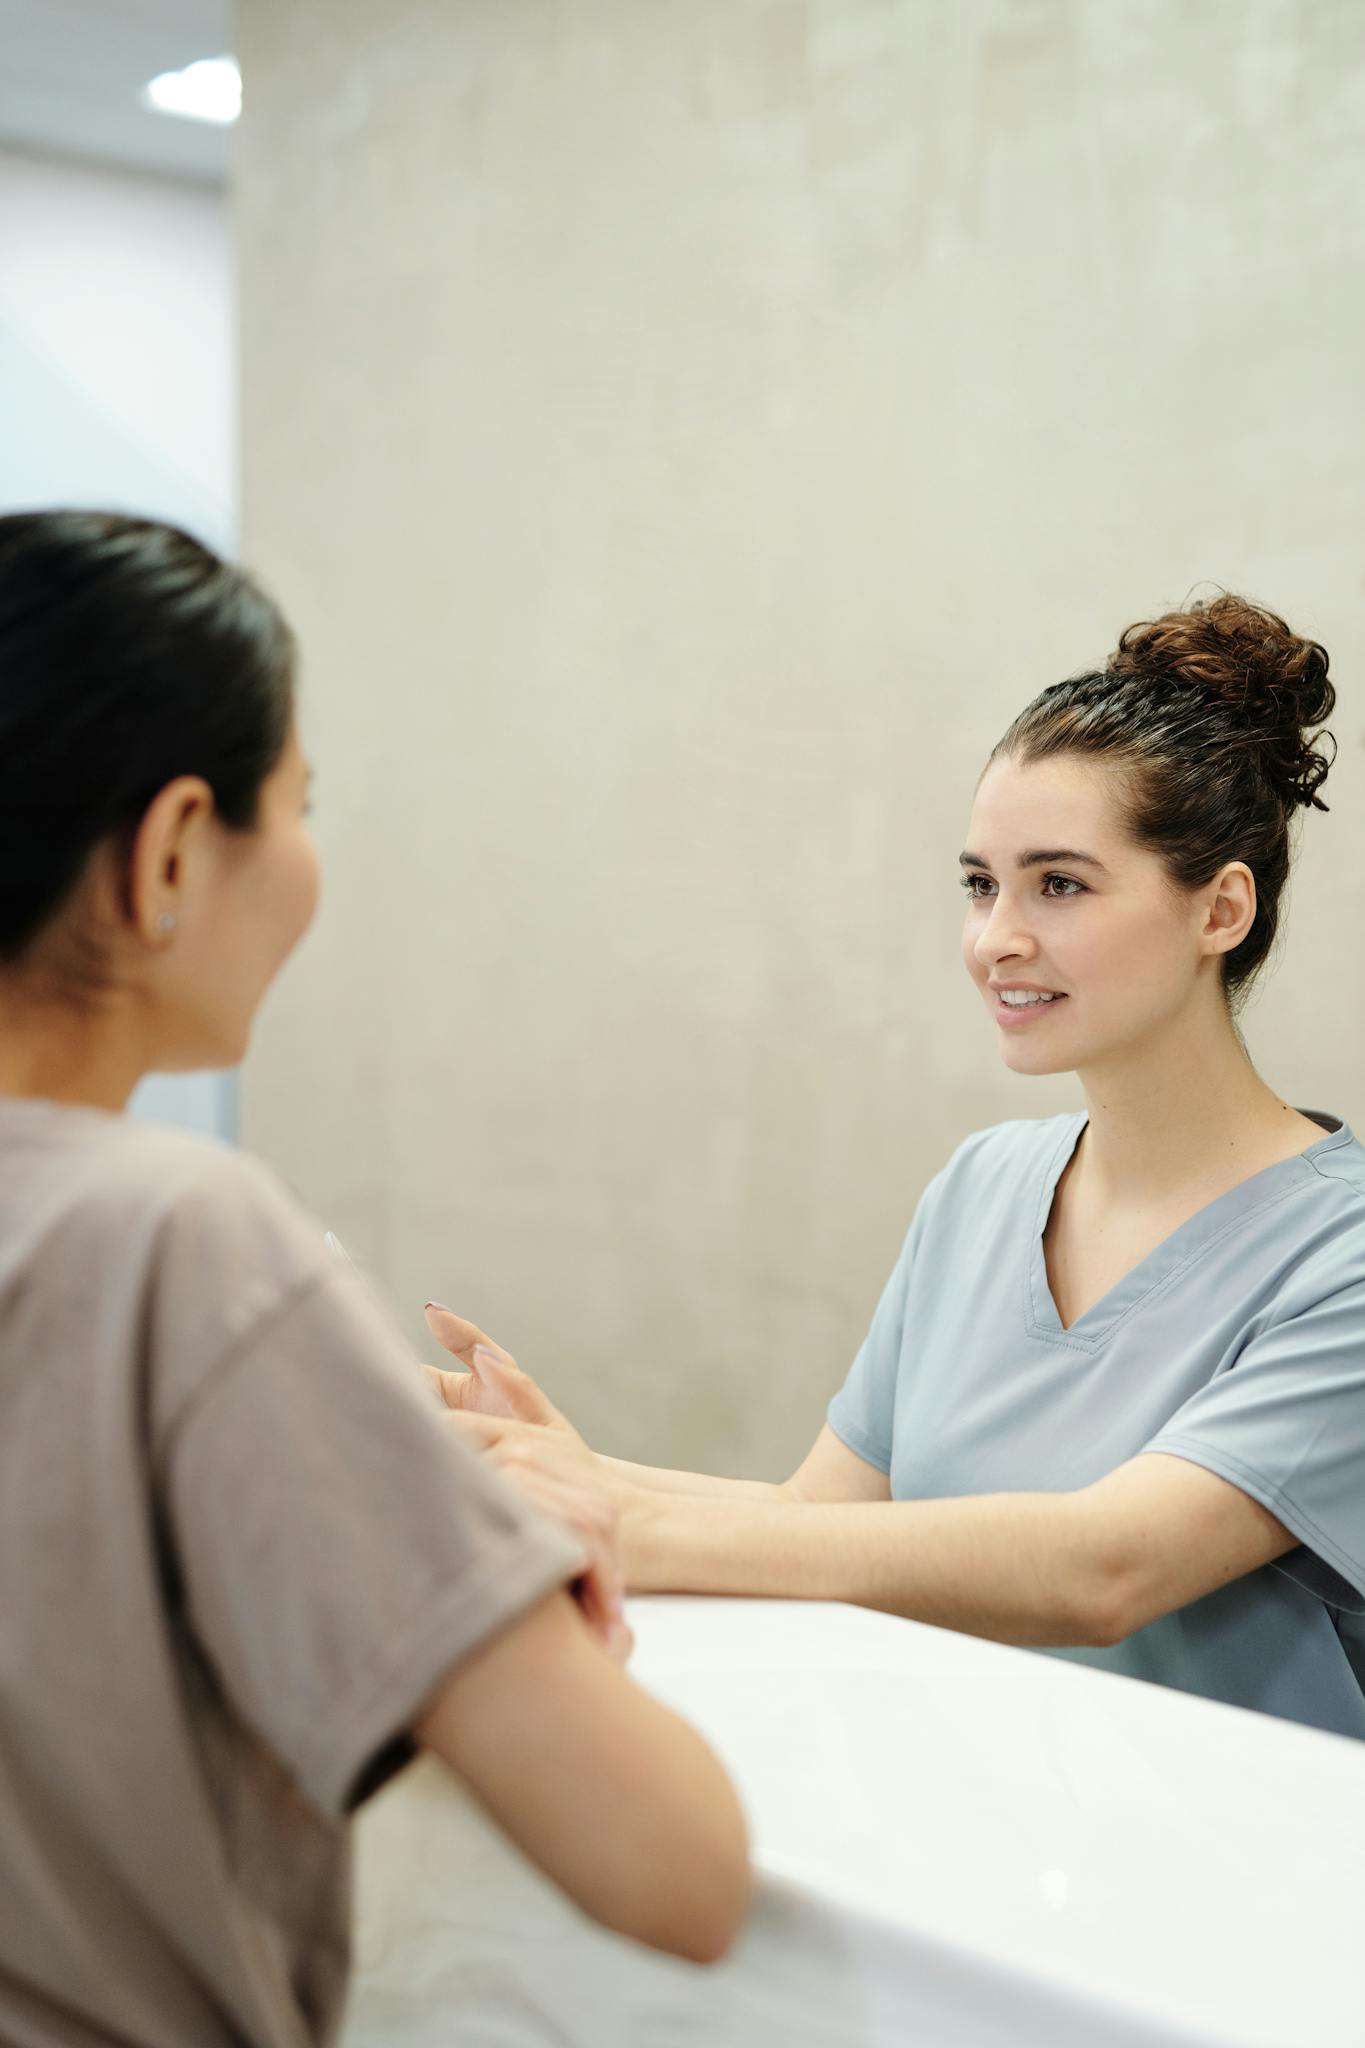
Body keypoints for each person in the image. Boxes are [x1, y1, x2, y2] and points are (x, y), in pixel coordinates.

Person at [0, 511, 750, 2048]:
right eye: (302, 805)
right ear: (166, 855)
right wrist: (495, 1573)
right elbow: (678, 1866)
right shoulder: (179, 1238)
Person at [430, 592, 1365, 1743]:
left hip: (1250, 1896)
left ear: (1221, 906)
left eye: (1058, 884)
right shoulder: (982, 1188)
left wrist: (617, 1518)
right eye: (981, 883)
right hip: (966, 1853)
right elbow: (816, 1519)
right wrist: (546, 1463)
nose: (994, 939)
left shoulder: (1342, 1258)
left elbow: (1106, 1566)